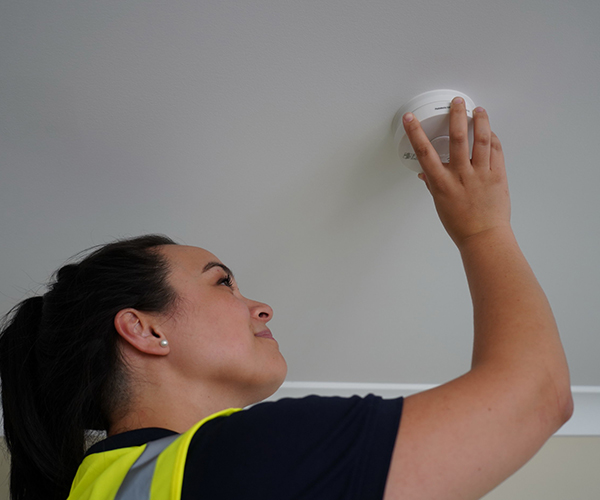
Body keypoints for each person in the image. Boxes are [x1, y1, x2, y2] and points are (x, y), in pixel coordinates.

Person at [0, 99, 573, 500]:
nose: (263, 308)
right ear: (145, 331)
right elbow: (537, 396)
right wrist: (483, 231)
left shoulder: (101, 486)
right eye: (222, 282)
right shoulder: (242, 458)